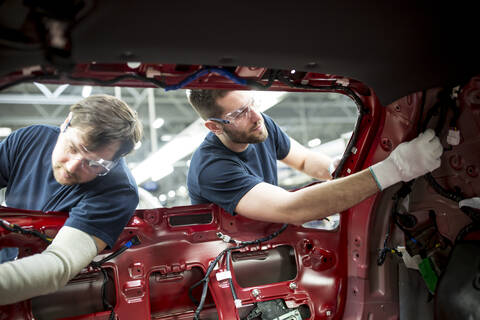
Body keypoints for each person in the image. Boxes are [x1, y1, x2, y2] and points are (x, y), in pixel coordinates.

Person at [186, 89, 442, 224]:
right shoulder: (210, 169)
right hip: (230, 260)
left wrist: (342, 171)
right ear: (214, 126)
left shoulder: (259, 127)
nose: (256, 116)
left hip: (267, 241)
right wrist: (396, 169)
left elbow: (306, 161)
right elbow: (290, 208)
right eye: (240, 112)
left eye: (253, 103)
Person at [0, 94, 143, 305]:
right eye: (73, 148)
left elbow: (59, 265)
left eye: (94, 164)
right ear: (66, 123)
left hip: (42, 297)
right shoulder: (29, 140)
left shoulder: (118, 191)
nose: (72, 167)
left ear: (114, 162)